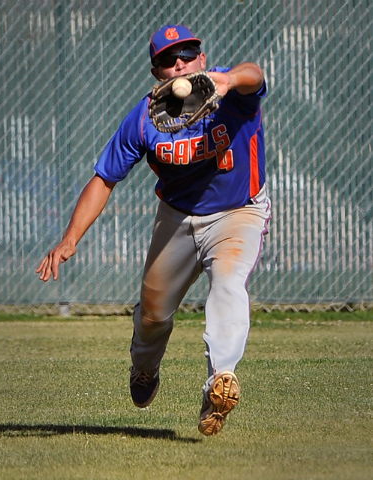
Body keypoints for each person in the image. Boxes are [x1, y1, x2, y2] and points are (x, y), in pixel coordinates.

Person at [36, 24, 271, 436]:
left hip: (238, 212)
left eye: (187, 53)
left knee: (229, 284)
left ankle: (221, 379)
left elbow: (256, 74)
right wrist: (69, 239)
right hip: (176, 217)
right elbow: (104, 178)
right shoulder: (145, 118)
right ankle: (144, 369)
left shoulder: (229, 89)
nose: (179, 64)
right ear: (156, 72)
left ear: (201, 57)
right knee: (152, 314)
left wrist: (230, 78)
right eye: (168, 59)